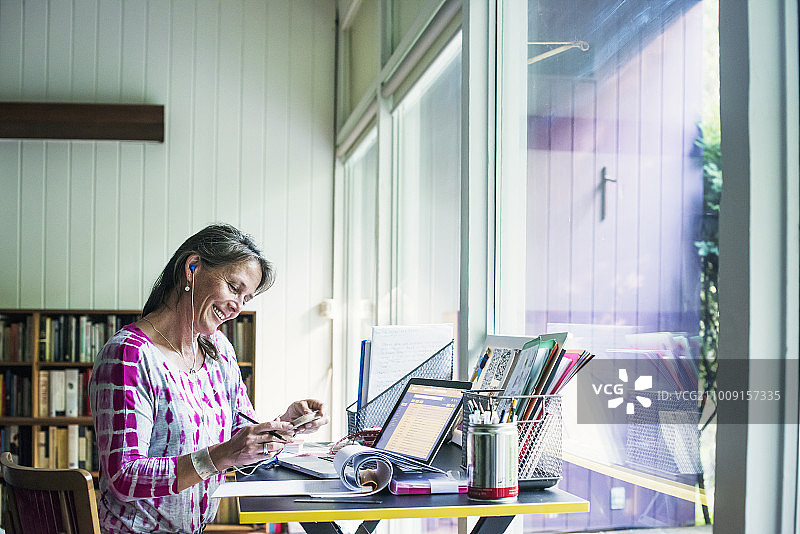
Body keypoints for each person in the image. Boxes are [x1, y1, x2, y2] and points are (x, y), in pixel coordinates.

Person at [89, 223, 327, 533]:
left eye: (246, 299)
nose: (237, 307)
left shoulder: (219, 350)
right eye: (233, 287)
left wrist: (284, 425)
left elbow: (243, 444)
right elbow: (124, 477)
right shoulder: (129, 354)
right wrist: (222, 455)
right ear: (192, 267)